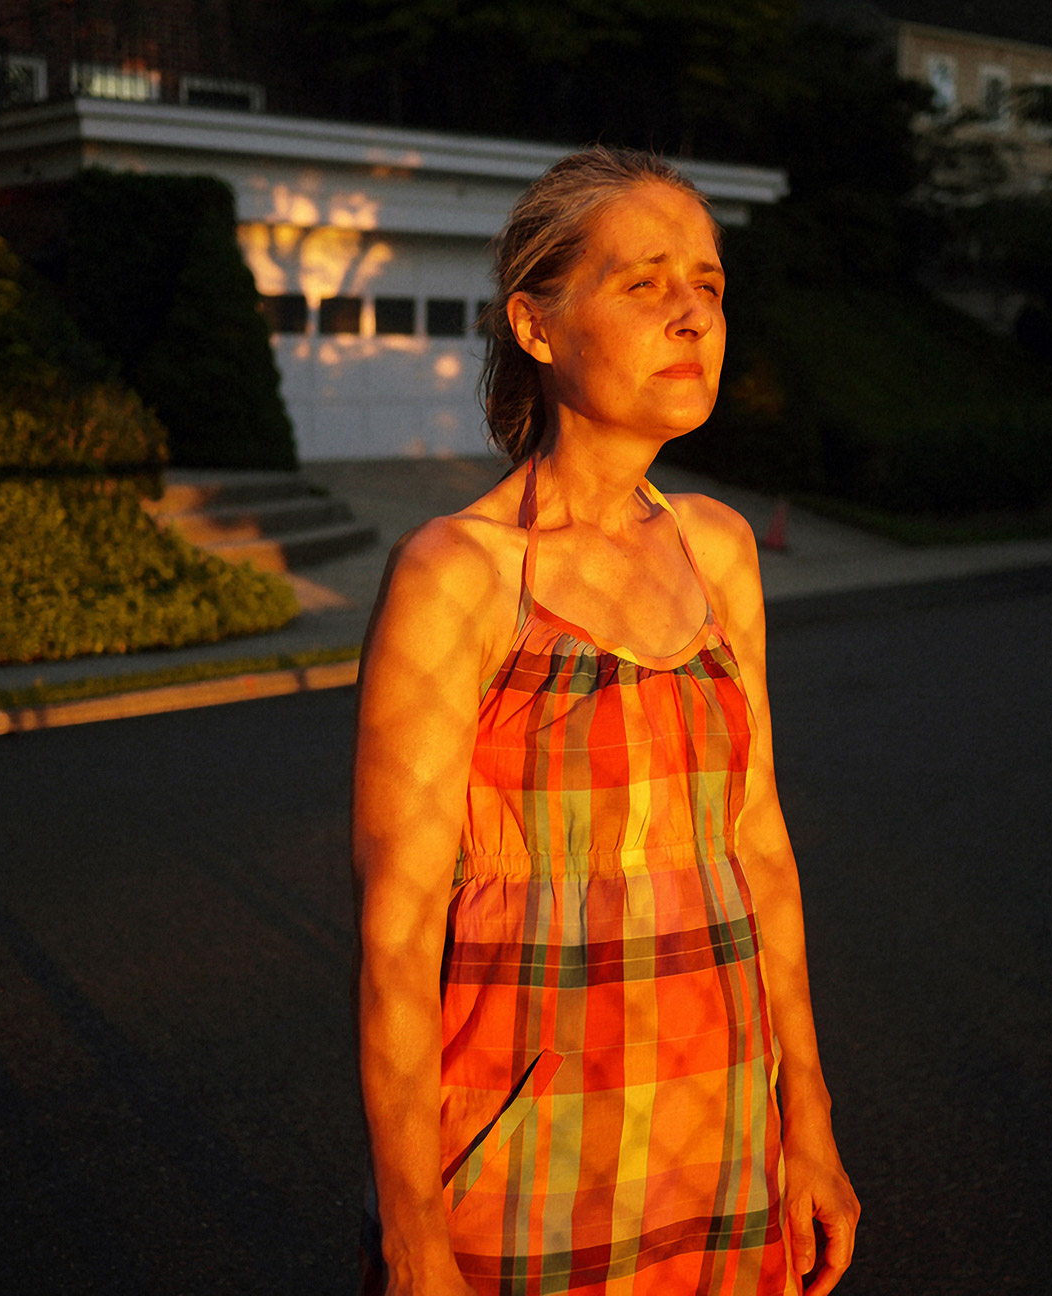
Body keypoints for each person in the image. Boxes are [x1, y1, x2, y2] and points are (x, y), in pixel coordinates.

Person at [352, 146, 859, 1296]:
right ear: (536, 325)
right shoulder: (459, 575)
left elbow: (759, 848)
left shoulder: (718, 549)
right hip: (531, 1146)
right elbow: (396, 934)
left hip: (724, 1126)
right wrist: (414, 1239)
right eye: (644, 284)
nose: (693, 314)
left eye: (709, 285)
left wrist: (809, 1118)